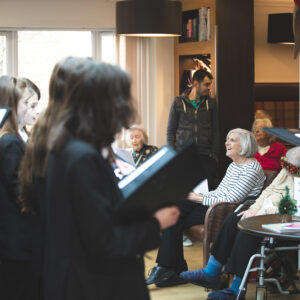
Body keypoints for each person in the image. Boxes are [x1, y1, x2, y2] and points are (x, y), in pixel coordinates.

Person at [19, 58, 180, 300]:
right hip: (95, 283)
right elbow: (104, 241)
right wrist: (156, 223)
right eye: (117, 97)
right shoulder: (81, 157)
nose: (123, 106)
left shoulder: (65, 146)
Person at [146, 128, 265, 287]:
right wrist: (199, 197)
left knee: (177, 211)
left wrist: (200, 197)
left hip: (228, 211)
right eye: (227, 139)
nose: (226, 143)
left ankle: (167, 269)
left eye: (232, 140)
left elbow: (231, 198)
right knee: (175, 210)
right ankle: (169, 269)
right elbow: (220, 192)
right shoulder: (234, 165)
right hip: (216, 206)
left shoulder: (251, 168)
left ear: (244, 146)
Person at [180, 146, 300, 300]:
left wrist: (260, 212)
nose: (288, 170)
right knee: (233, 219)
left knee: (247, 231)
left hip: (285, 219)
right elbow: (268, 192)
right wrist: (254, 208)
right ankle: (211, 271)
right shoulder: (286, 170)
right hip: (262, 213)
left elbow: (293, 205)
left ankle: (237, 289)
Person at [0, 76, 39, 300]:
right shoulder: (9, 142)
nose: (32, 110)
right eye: (28, 104)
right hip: (18, 244)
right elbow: (22, 194)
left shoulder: (18, 138)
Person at [167, 69, 220, 191]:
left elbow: (216, 130)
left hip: (205, 155)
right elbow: (171, 130)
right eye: (206, 84)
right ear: (196, 84)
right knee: (184, 192)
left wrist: (214, 154)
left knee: (207, 192)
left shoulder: (211, 103)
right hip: (183, 155)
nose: (209, 88)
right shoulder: (178, 102)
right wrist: (172, 154)